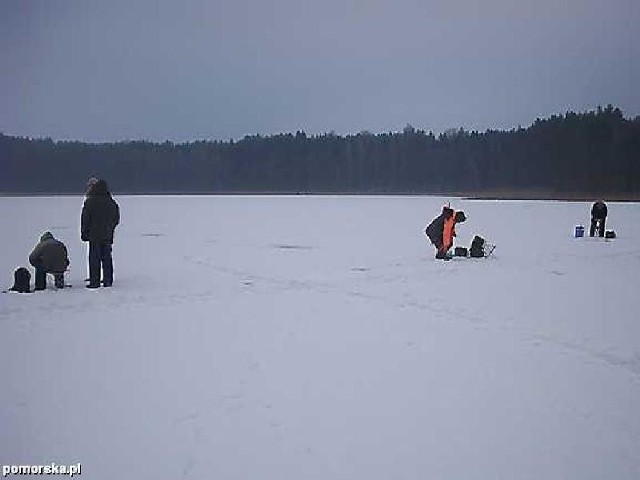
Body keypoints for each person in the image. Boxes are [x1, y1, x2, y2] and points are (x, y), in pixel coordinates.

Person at [81, 179, 120, 288]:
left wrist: (84, 232)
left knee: (94, 259)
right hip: (107, 235)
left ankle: (95, 282)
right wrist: (110, 228)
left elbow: (85, 219)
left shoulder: (90, 202)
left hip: (94, 235)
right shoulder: (111, 202)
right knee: (107, 258)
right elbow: (116, 218)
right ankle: (108, 280)